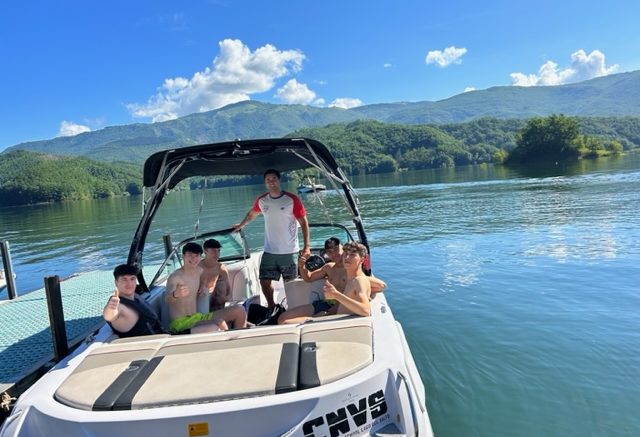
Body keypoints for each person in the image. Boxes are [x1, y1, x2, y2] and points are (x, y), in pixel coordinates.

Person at [233, 168, 311, 308]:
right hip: (270, 251)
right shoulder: (262, 200)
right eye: (268, 180)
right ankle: (271, 306)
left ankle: (293, 309)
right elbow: (252, 214)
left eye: (274, 179)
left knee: (291, 284)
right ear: (265, 182)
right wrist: (241, 225)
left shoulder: (291, 199)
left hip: (289, 251)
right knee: (264, 281)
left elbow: (304, 222)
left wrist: (307, 247)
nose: (271, 182)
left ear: (279, 180)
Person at [278, 241, 372, 324]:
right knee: (282, 319)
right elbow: (308, 278)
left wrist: (336, 295)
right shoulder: (333, 269)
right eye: (346, 254)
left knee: (285, 323)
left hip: (333, 317)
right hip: (326, 307)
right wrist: (302, 266)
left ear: (362, 260)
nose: (347, 257)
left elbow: (366, 310)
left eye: (352, 255)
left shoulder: (359, 280)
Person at [166, 242, 247, 334]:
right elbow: (167, 300)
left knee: (240, 311)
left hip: (198, 317)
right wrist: (175, 294)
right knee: (220, 323)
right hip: (181, 323)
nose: (193, 259)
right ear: (183, 256)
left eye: (196, 255)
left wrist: (202, 285)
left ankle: (239, 339)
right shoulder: (175, 277)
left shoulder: (199, 271)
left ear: (200, 257)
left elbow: (206, 279)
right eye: (190, 255)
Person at [299, 237, 387, 294]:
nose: (334, 254)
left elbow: (381, 286)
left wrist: (356, 294)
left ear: (343, 249)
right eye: (330, 252)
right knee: (290, 315)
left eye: (336, 249)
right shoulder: (328, 267)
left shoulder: (351, 269)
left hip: (341, 306)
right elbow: (308, 278)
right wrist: (302, 266)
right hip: (326, 304)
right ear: (327, 254)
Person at [102, 264, 164, 338]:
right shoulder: (118, 305)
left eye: (132, 279)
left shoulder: (135, 296)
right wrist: (111, 308)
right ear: (116, 282)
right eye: (124, 279)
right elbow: (110, 317)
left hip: (161, 338)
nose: (129, 284)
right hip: (146, 343)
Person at [199, 238, 231, 311]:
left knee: (221, 284)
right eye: (213, 251)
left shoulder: (221, 268)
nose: (217, 254)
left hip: (215, 300)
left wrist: (226, 298)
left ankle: (219, 311)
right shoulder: (198, 267)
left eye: (218, 251)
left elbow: (229, 289)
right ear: (205, 251)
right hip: (200, 298)